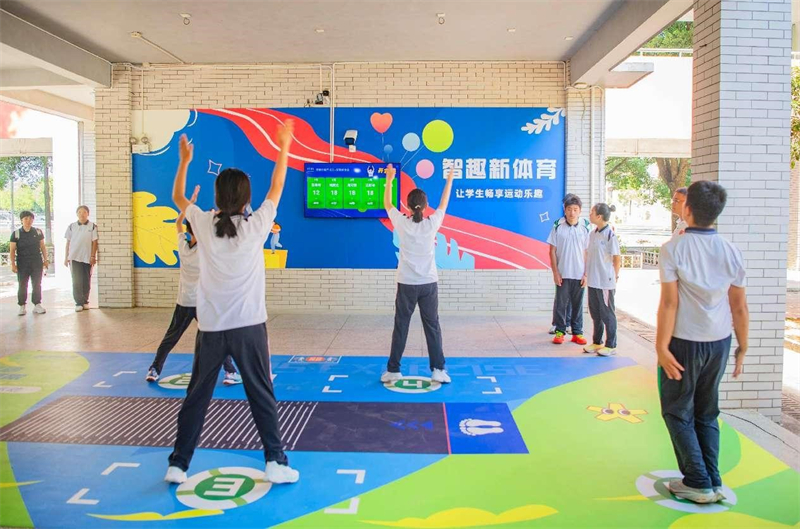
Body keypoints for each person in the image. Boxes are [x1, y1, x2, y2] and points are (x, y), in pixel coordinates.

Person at [165, 121, 299, 485]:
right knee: (261, 394)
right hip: (249, 327)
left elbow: (179, 197)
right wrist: (283, 145)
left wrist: (184, 160)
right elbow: (278, 185)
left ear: (217, 195)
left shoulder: (204, 223)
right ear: (245, 198)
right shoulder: (256, 226)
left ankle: (178, 464)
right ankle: (275, 461)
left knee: (196, 397)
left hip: (211, 329)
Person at [656, 180, 749, 504]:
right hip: (719, 343)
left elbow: (670, 303)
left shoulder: (674, 249)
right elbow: (739, 305)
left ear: (688, 209)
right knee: (707, 412)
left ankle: (697, 481)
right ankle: (713, 479)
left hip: (684, 343)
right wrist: (743, 347)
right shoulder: (731, 250)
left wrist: (661, 347)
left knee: (677, 410)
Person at [145, 185, 242, 386]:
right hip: (202, 302)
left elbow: (178, 223)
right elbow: (215, 227)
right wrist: (214, 212)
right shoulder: (206, 248)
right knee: (218, 335)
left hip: (184, 302)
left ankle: (154, 369)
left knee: (170, 338)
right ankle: (230, 372)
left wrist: (190, 203)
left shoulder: (182, 246)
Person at [381, 164, 454, 384]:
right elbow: (444, 203)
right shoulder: (432, 223)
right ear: (425, 206)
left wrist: (390, 178)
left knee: (401, 325)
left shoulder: (402, 223)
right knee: (432, 325)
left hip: (406, 283)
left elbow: (387, 203)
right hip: (428, 283)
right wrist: (449, 178)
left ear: (409, 207)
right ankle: (438, 369)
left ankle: (393, 370)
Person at [547, 194, 591, 345]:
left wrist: (586, 274)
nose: (572, 212)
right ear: (564, 210)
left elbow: (588, 252)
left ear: (580, 211)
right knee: (561, 304)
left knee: (577, 305)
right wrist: (555, 272)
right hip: (563, 273)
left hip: (579, 274)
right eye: (569, 209)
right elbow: (552, 250)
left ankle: (577, 333)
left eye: (575, 209)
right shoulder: (557, 226)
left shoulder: (586, 227)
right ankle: (560, 331)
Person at [583, 203, 621, 356]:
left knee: (607, 314)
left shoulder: (610, 235)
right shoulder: (592, 234)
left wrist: (614, 277)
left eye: (592, 212)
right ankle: (597, 342)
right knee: (595, 313)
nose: (590, 214)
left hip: (605, 282)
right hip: (593, 280)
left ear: (599, 216)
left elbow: (617, 259)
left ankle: (611, 344)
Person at [10, 211, 49, 315]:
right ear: (21, 220)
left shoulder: (38, 232)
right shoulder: (16, 234)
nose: (28, 221)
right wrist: (13, 264)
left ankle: (37, 304)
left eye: (30, 218)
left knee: (37, 283)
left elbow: (43, 247)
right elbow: (12, 250)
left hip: (36, 261)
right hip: (22, 262)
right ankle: (22, 306)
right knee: (22, 284)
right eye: (26, 218)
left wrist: (46, 260)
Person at [64, 206, 98, 311]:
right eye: (79, 212)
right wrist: (66, 257)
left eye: (84, 212)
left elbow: (94, 242)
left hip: (87, 257)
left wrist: (93, 256)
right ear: (77, 214)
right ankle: (78, 303)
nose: (82, 214)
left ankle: (85, 301)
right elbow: (68, 243)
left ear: (88, 214)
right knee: (76, 280)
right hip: (74, 257)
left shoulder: (92, 226)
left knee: (86, 280)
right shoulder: (71, 226)